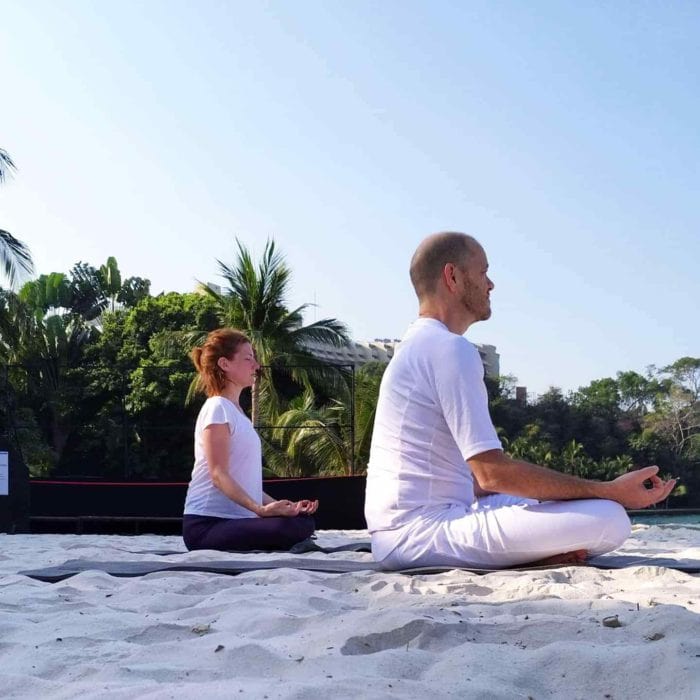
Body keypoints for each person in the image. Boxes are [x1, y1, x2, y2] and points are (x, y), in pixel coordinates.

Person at [365, 232, 676, 570]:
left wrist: (572, 494)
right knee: (610, 518)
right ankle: (544, 548)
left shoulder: (418, 346)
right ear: (452, 276)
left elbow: (471, 482)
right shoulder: (449, 349)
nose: (491, 284)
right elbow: (491, 474)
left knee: (565, 502)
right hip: (418, 535)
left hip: (409, 529)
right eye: (483, 272)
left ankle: (541, 550)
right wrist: (609, 491)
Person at [183, 328, 318, 551]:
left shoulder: (236, 412)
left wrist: (282, 506)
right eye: (248, 358)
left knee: (301, 521)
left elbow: (248, 483)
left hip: (237, 521)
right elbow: (218, 474)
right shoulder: (217, 408)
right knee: (288, 530)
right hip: (207, 525)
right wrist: (260, 510)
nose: (255, 365)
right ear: (225, 364)